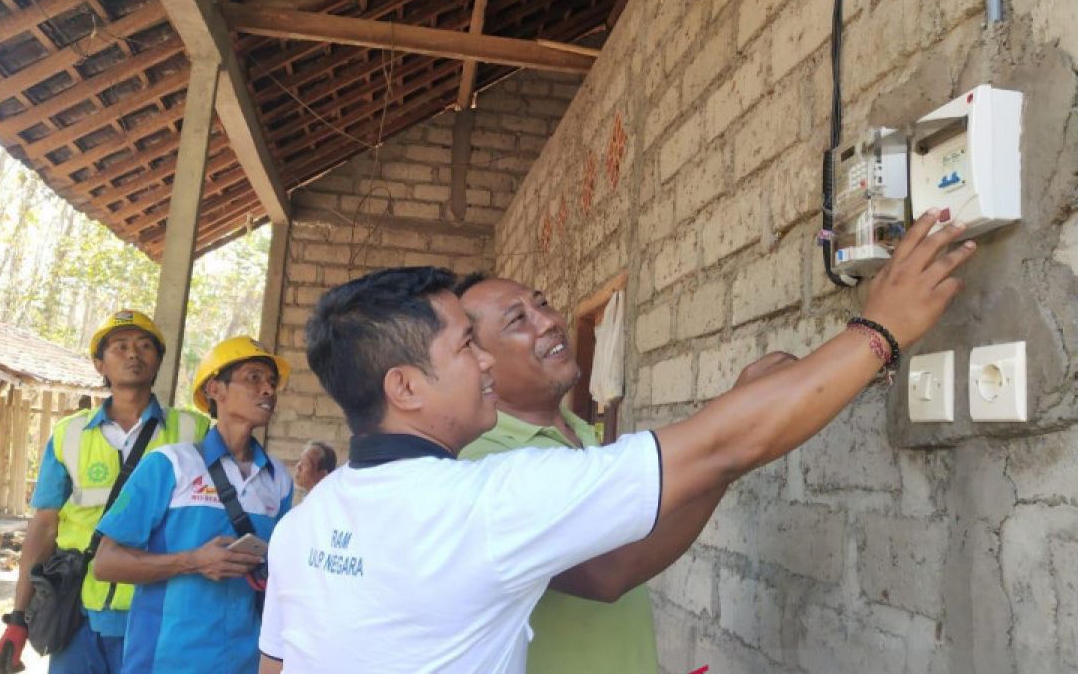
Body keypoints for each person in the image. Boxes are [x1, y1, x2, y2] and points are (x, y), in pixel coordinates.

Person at [258, 210, 974, 673]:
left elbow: (278, 668)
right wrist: (882, 329)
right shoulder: (488, 500)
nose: (483, 361)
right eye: (466, 346)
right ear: (405, 388)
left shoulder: (308, 522)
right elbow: (721, 447)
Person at [457, 272, 794, 674]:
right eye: (517, 320)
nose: (548, 321)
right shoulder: (482, 460)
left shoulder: (580, 432)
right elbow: (606, 573)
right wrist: (737, 444)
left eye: (542, 303)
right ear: (481, 364)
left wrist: (734, 436)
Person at [0, 310, 209, 674]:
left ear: (158, 361)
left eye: (144, 346)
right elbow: (43, 526)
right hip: (77, 612)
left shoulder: (194, 431)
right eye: (120, 347)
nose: (133, 354)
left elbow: (236, 477)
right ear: (100, 364)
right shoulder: (68, 434)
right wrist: (18, 617)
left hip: (159, 609)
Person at [91, 336, 295, 674]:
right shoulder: (170, 465)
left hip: (246, 662)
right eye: (253, 378)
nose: (268, 390)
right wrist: (194, 562)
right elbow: (106, 564)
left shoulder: (278, 479)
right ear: (216, 389)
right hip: (165, 661)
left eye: (272, 383)